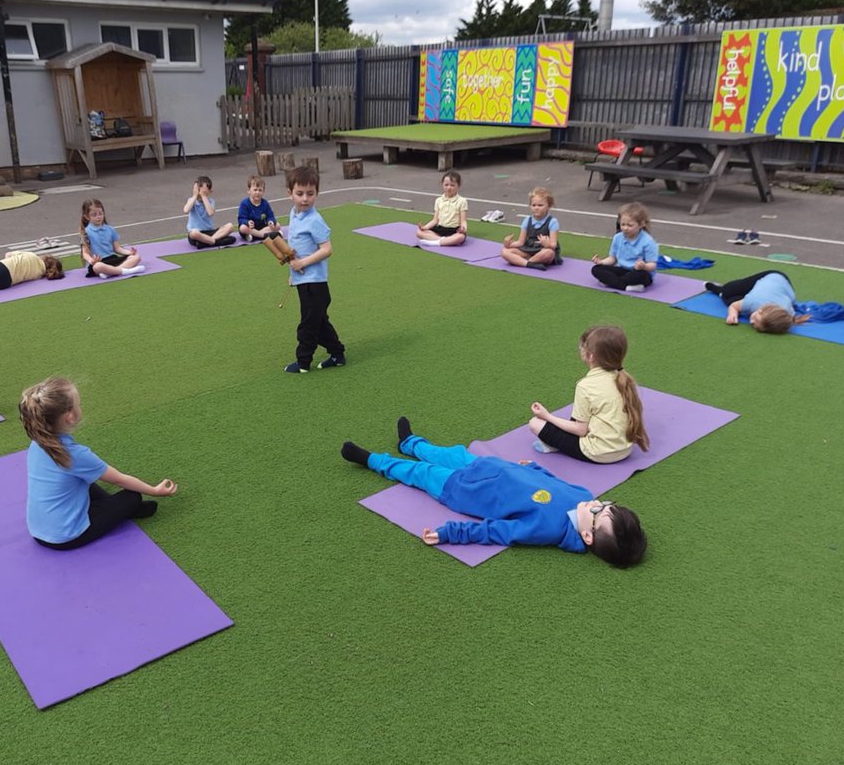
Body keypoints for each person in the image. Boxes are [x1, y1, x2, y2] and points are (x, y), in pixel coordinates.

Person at [340, 417, 646, 568]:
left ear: (588, 537)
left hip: (463, 490)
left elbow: (498, 531)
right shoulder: (584, 496)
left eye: (598, 512)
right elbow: (555, 482)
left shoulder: (547, 529)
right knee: (444, 453)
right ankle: (411, 444)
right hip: (485, 466)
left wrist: (451, 534)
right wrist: (534, 470)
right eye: (606, 503)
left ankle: (373, 461)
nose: (596, 503)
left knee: (420, 473)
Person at [20, 376, 178, 550]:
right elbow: (119, 480)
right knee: (132, 496)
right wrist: (155, 491)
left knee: (84, 480)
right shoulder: (75, 455)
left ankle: (119, 509)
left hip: (38, 530)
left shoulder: (38, 442)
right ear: (70, 416)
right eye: (78, 404)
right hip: (67, 536)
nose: (81, 407)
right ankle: (129, 509)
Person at [528, 325, 650, 463]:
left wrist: (547, 416)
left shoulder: (586, 385)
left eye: (581, 348)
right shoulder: (625, 379)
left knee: (535, 423)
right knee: (581, 416)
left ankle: (555, 445)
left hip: (598, 453)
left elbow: (581, 430)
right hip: (624, 450)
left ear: (590, 356)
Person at [284, 166, 347, 373]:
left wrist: (302, 264)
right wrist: (292, 273)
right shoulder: (294, 215)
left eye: (310, 194)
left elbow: (327, 249)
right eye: (299, 193)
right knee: (319, 323)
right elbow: (298, 248)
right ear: (290, 194)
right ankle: (337, 354)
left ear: (317, 193)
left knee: (308, 325)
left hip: (315, 282)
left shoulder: (315, 220)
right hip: (303, 280)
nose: (305, 199)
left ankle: (303, 362)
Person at [704, 270, 810, 334]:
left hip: (784, 287)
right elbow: (733, 306)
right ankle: (719, 291)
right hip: (771, 276)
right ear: (759, 310)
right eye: (755, 319)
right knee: (728, 291)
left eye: (754, 325)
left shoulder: (785, 314)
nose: (751, 322)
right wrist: (732, 314)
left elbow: (787, 319)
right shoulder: (753, 302)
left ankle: (723, 293)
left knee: (736, 301)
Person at [591, 202, 659, 292]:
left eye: (630, 225)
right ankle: (626, 287)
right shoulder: (618, 237)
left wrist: (644, 266)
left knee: (641, 275)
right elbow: (612, 259)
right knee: (596, 269)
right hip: (621, 270)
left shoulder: (648, 241)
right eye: (623, 224)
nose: (625, 228)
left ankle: (612, 282)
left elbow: (652, 265)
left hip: (638, 273)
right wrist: (601, 262)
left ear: (641, 224)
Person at [78, 199, 145, 278]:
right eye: (94, 215)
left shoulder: (110, 229)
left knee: (137, 257)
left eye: (100, 213)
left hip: (113, 259)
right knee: (98, 267)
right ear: (86, 216)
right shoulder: (86, 232)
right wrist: (91, 261)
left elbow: (117, 248)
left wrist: (129, 253)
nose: (98, 217)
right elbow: (85, 253)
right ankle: (126, 271)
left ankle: (110, 272)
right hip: (99, 262)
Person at [501, 186, 561, 268]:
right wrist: (508, 245)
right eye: (533, 205)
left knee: (549, 253)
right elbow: (520, 242)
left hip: (543, 249)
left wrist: (548, 245)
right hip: (528, 249)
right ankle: (530, 264)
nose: (536, 208)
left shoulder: (552, 222)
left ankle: (524, 261)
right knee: (504, 252)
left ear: (548, 206)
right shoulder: (527, 220)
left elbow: (553, 244)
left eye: (540, 205)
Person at [417, 170, 468, 247]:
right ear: (442, 185)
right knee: (419, 232)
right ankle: (444, 240)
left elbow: (463, 221)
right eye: (446, 185)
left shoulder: (462, 201)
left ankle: (435, 242)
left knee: (460, 237)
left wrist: (463, 229)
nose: (449, 188)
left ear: (458, 185)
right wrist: (425, 227)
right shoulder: (438, 200)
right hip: (440, 229)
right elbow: (435, 220)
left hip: (454, 230)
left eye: (452, 185)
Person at [185, 176, 236, 247]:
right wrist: (194, 196)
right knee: (194, 233)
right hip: (197, 233)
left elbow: (210, 213)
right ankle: (213, 242)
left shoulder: (211, 201)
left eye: (204, 192)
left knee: (230, 226)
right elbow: (186, 210)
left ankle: (206, 242)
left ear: (210, 191)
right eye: (199, 190)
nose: (200, 193)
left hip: (210, 232)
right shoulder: (192, 200)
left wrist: (204, 196)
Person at [237, 175, 280, 242]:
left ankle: (255, 235)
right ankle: (263, 235)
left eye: (260, 190)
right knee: (242, 228)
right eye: (255, 190)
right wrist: (247, 222)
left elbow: (270, 216)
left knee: (277, 225)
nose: (257, 192)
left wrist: (271, 222)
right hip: (250, 228)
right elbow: (241, 219)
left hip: (262, 226)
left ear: (263, 192)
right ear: (249, 191)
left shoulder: (265, 203)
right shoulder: (244, 203)